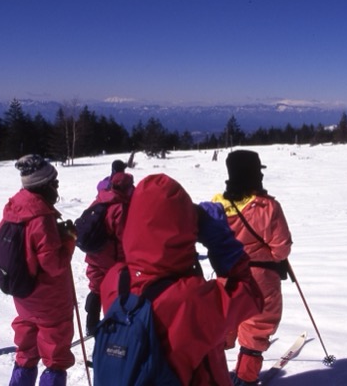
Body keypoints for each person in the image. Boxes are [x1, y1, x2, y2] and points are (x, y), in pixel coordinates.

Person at [99, 173, 264, 385]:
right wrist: (222, 244)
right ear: (184, 228)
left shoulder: (115, 280)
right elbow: (250, 295)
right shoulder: (191, 299)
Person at [211, 150, 293, 386]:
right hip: (260, 278)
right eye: (258, 172)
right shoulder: (268, 207)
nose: (261, 176)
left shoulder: (217, 206)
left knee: (224, 325)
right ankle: (245, 379)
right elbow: (281, 250)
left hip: (227, 276)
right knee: (256, 329)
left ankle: (214, 375)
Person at [1, 154, 77, 386]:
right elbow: (54, 265)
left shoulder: (15, 209)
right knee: (55, 358)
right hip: (50, 302)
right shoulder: (41, 218)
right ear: (43, 185)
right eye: (54, 182)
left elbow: (26, 246)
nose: (57, 187)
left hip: (24, 297)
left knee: (26, 351)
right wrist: (68, 239)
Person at [83, 169, 135, 336]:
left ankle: (91, 324)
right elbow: (124, 237)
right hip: (112, 261)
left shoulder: (99, 199)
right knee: (114, 293)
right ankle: (113, 327)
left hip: (93, 256)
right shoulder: (120, 208)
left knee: (95, 289)